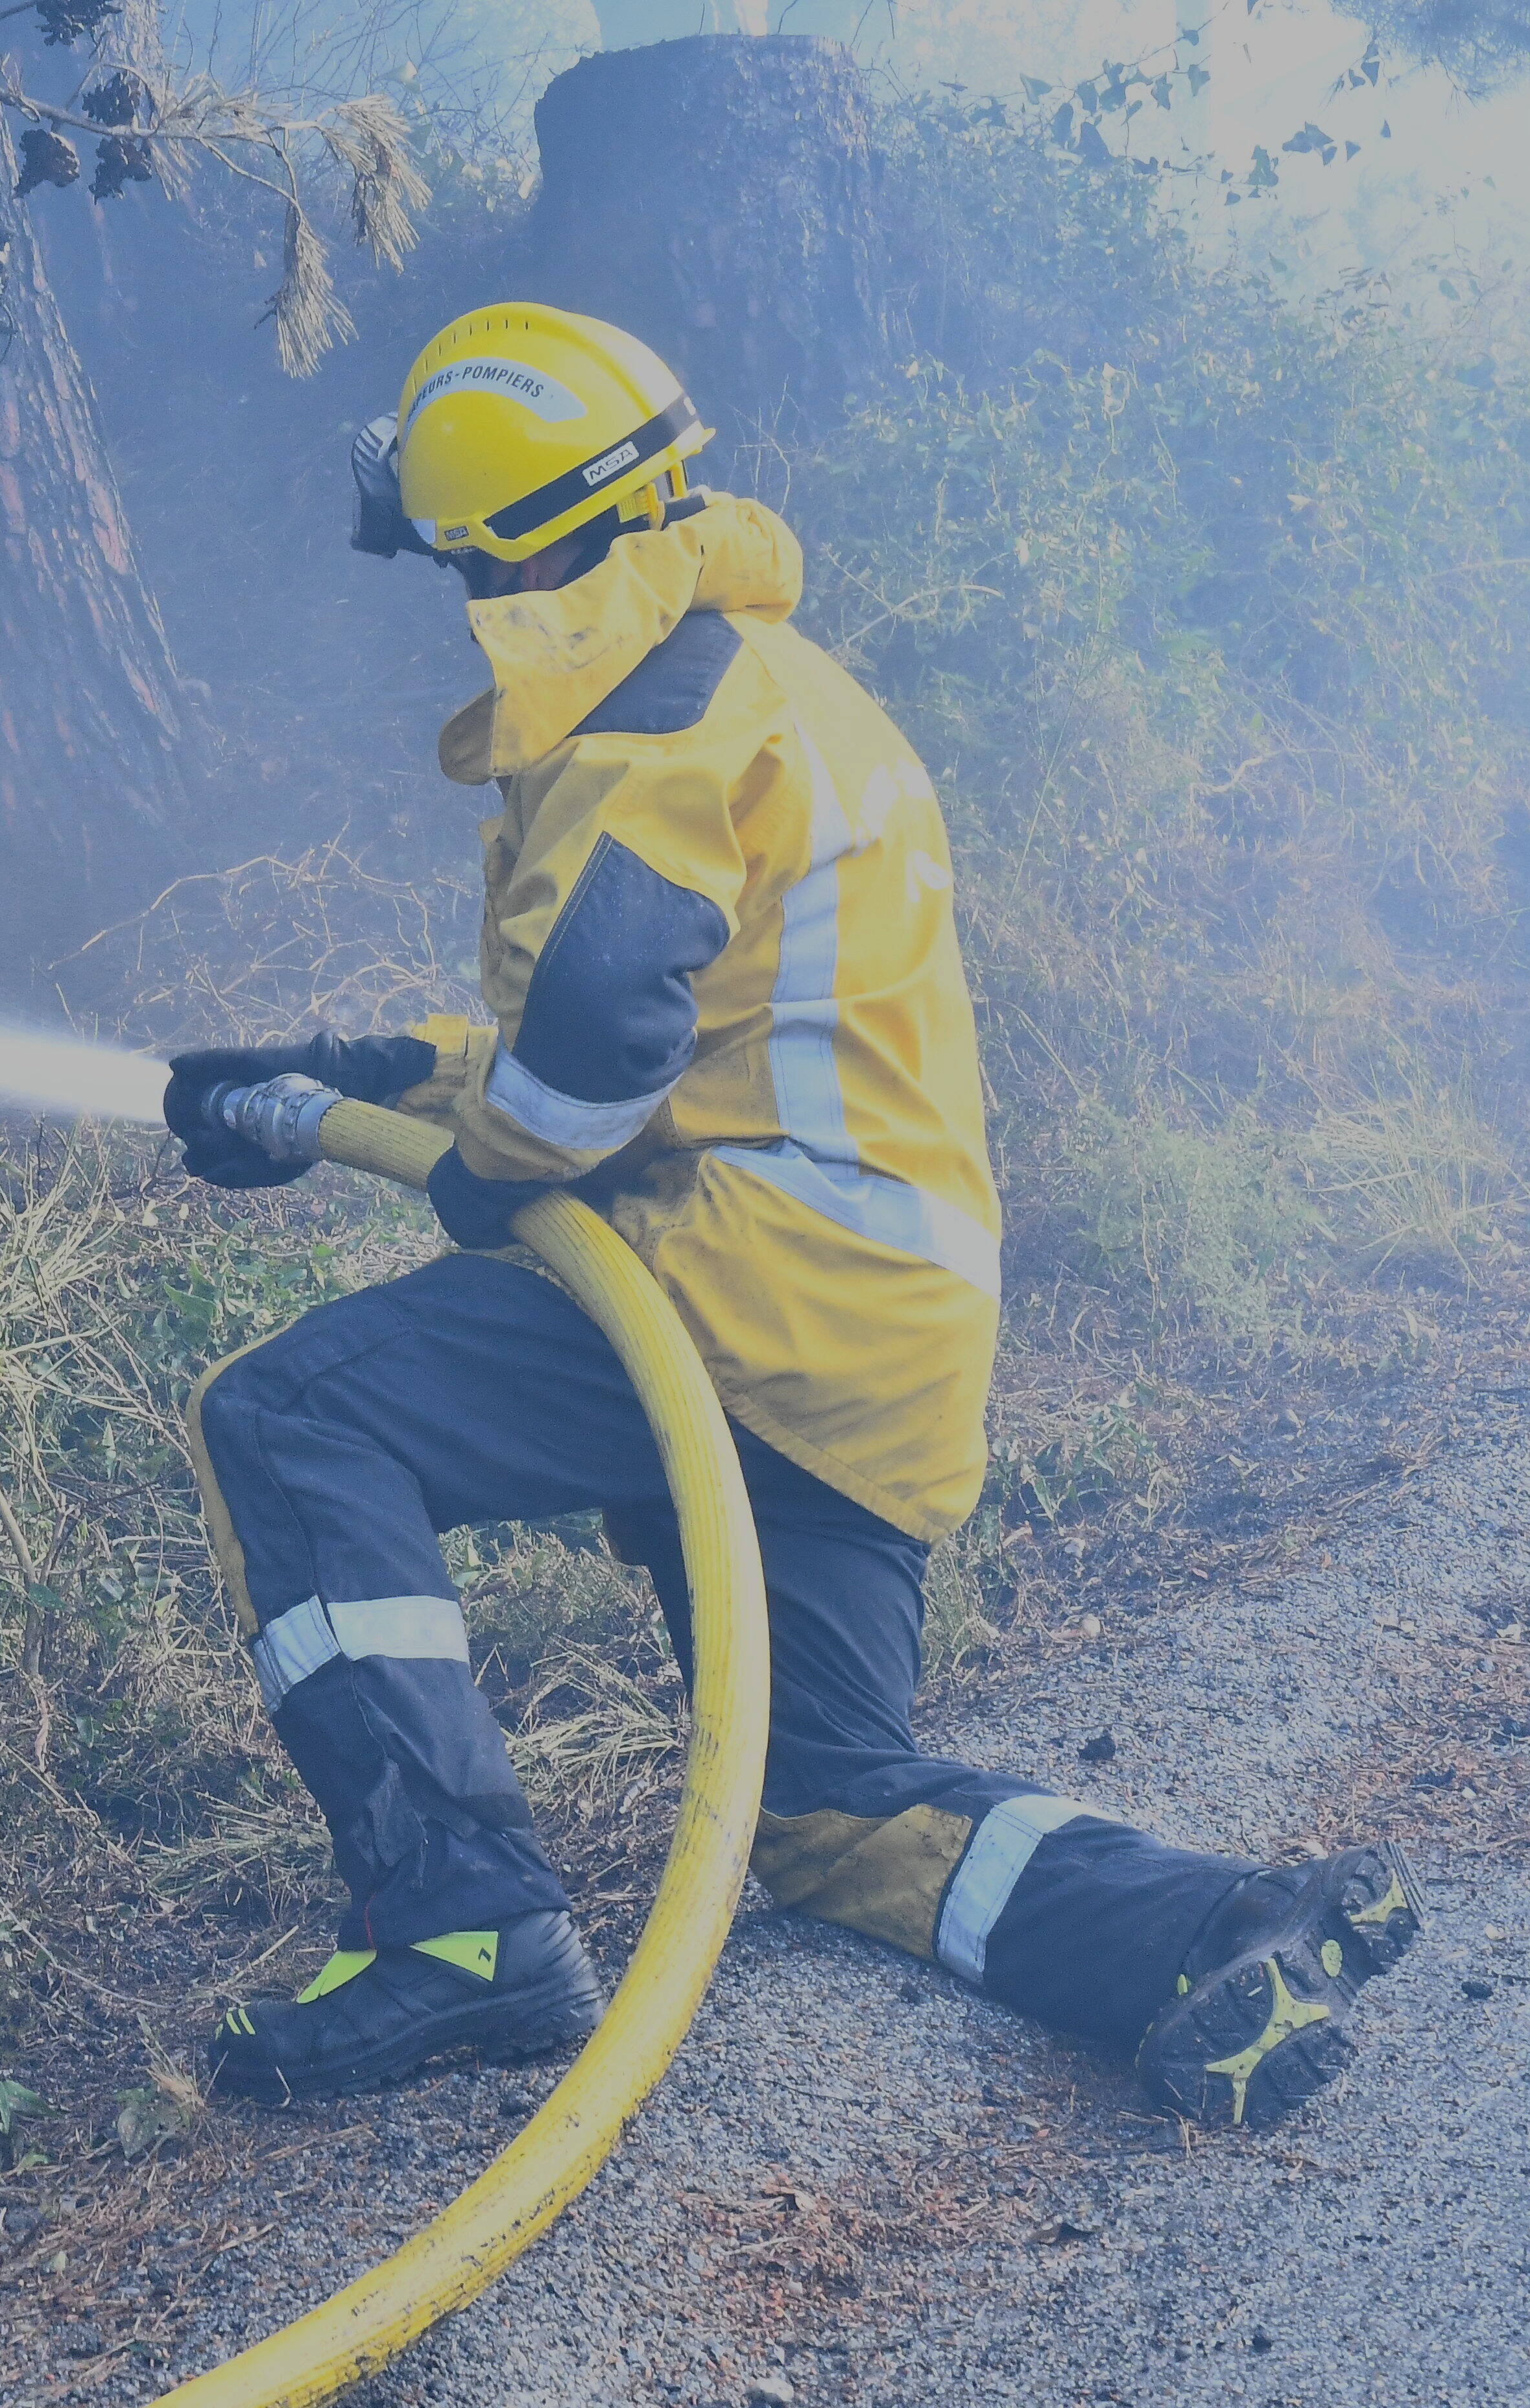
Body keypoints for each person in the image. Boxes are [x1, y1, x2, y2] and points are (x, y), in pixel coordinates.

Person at [165, 303, 1415, 2125]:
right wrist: (351, 1075)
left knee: (289, 1417)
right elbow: (678, 1023)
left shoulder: (648, 719)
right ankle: (1223, 1934)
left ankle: (460, 1928)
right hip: (872, 1341)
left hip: (743, 1298)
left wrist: (474, 1171)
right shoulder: (761, 679)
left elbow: (595, 1041)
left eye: (446, 559)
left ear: (492, 545)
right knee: (826, 1805)